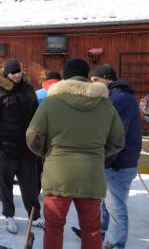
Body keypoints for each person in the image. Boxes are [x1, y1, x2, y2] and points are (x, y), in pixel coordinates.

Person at [26, 58, 125, 249]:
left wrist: (47, 154)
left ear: (65, 77)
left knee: (54, 227)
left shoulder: (50, 102)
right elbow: (119, 140)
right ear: (87, 77)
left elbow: (32, 138)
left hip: (58, 176)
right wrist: (99, 154)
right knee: (92, 229)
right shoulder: (105, 104)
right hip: (91, 176)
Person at [70, 64, 141, 249]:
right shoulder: (115, 97)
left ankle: (117, 244)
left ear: (106, 78)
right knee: (106, 201)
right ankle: (100, 232)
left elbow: (114, 136)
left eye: (94, 80)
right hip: (112, 162)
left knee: (115, 206)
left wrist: (102, 161)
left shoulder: (121, 100)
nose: (91, 84)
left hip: (119, 164)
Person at [0, 58, 43, 234]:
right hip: (6, 148)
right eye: (13, 73)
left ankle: (34, 216)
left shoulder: (29, 90)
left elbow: (36, 116)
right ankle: (9, 216)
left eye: (18, 72)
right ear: (6, 74)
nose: (17, 75)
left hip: (27, 148)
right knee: (5, 184)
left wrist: (37, 141)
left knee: (30, 184)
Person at [35, 70, 61, 195]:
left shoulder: (37, 94)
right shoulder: (64, 93)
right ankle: (53, 190)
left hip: (39, 135)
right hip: (58, 136)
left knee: (37, 164)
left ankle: (35, 189)